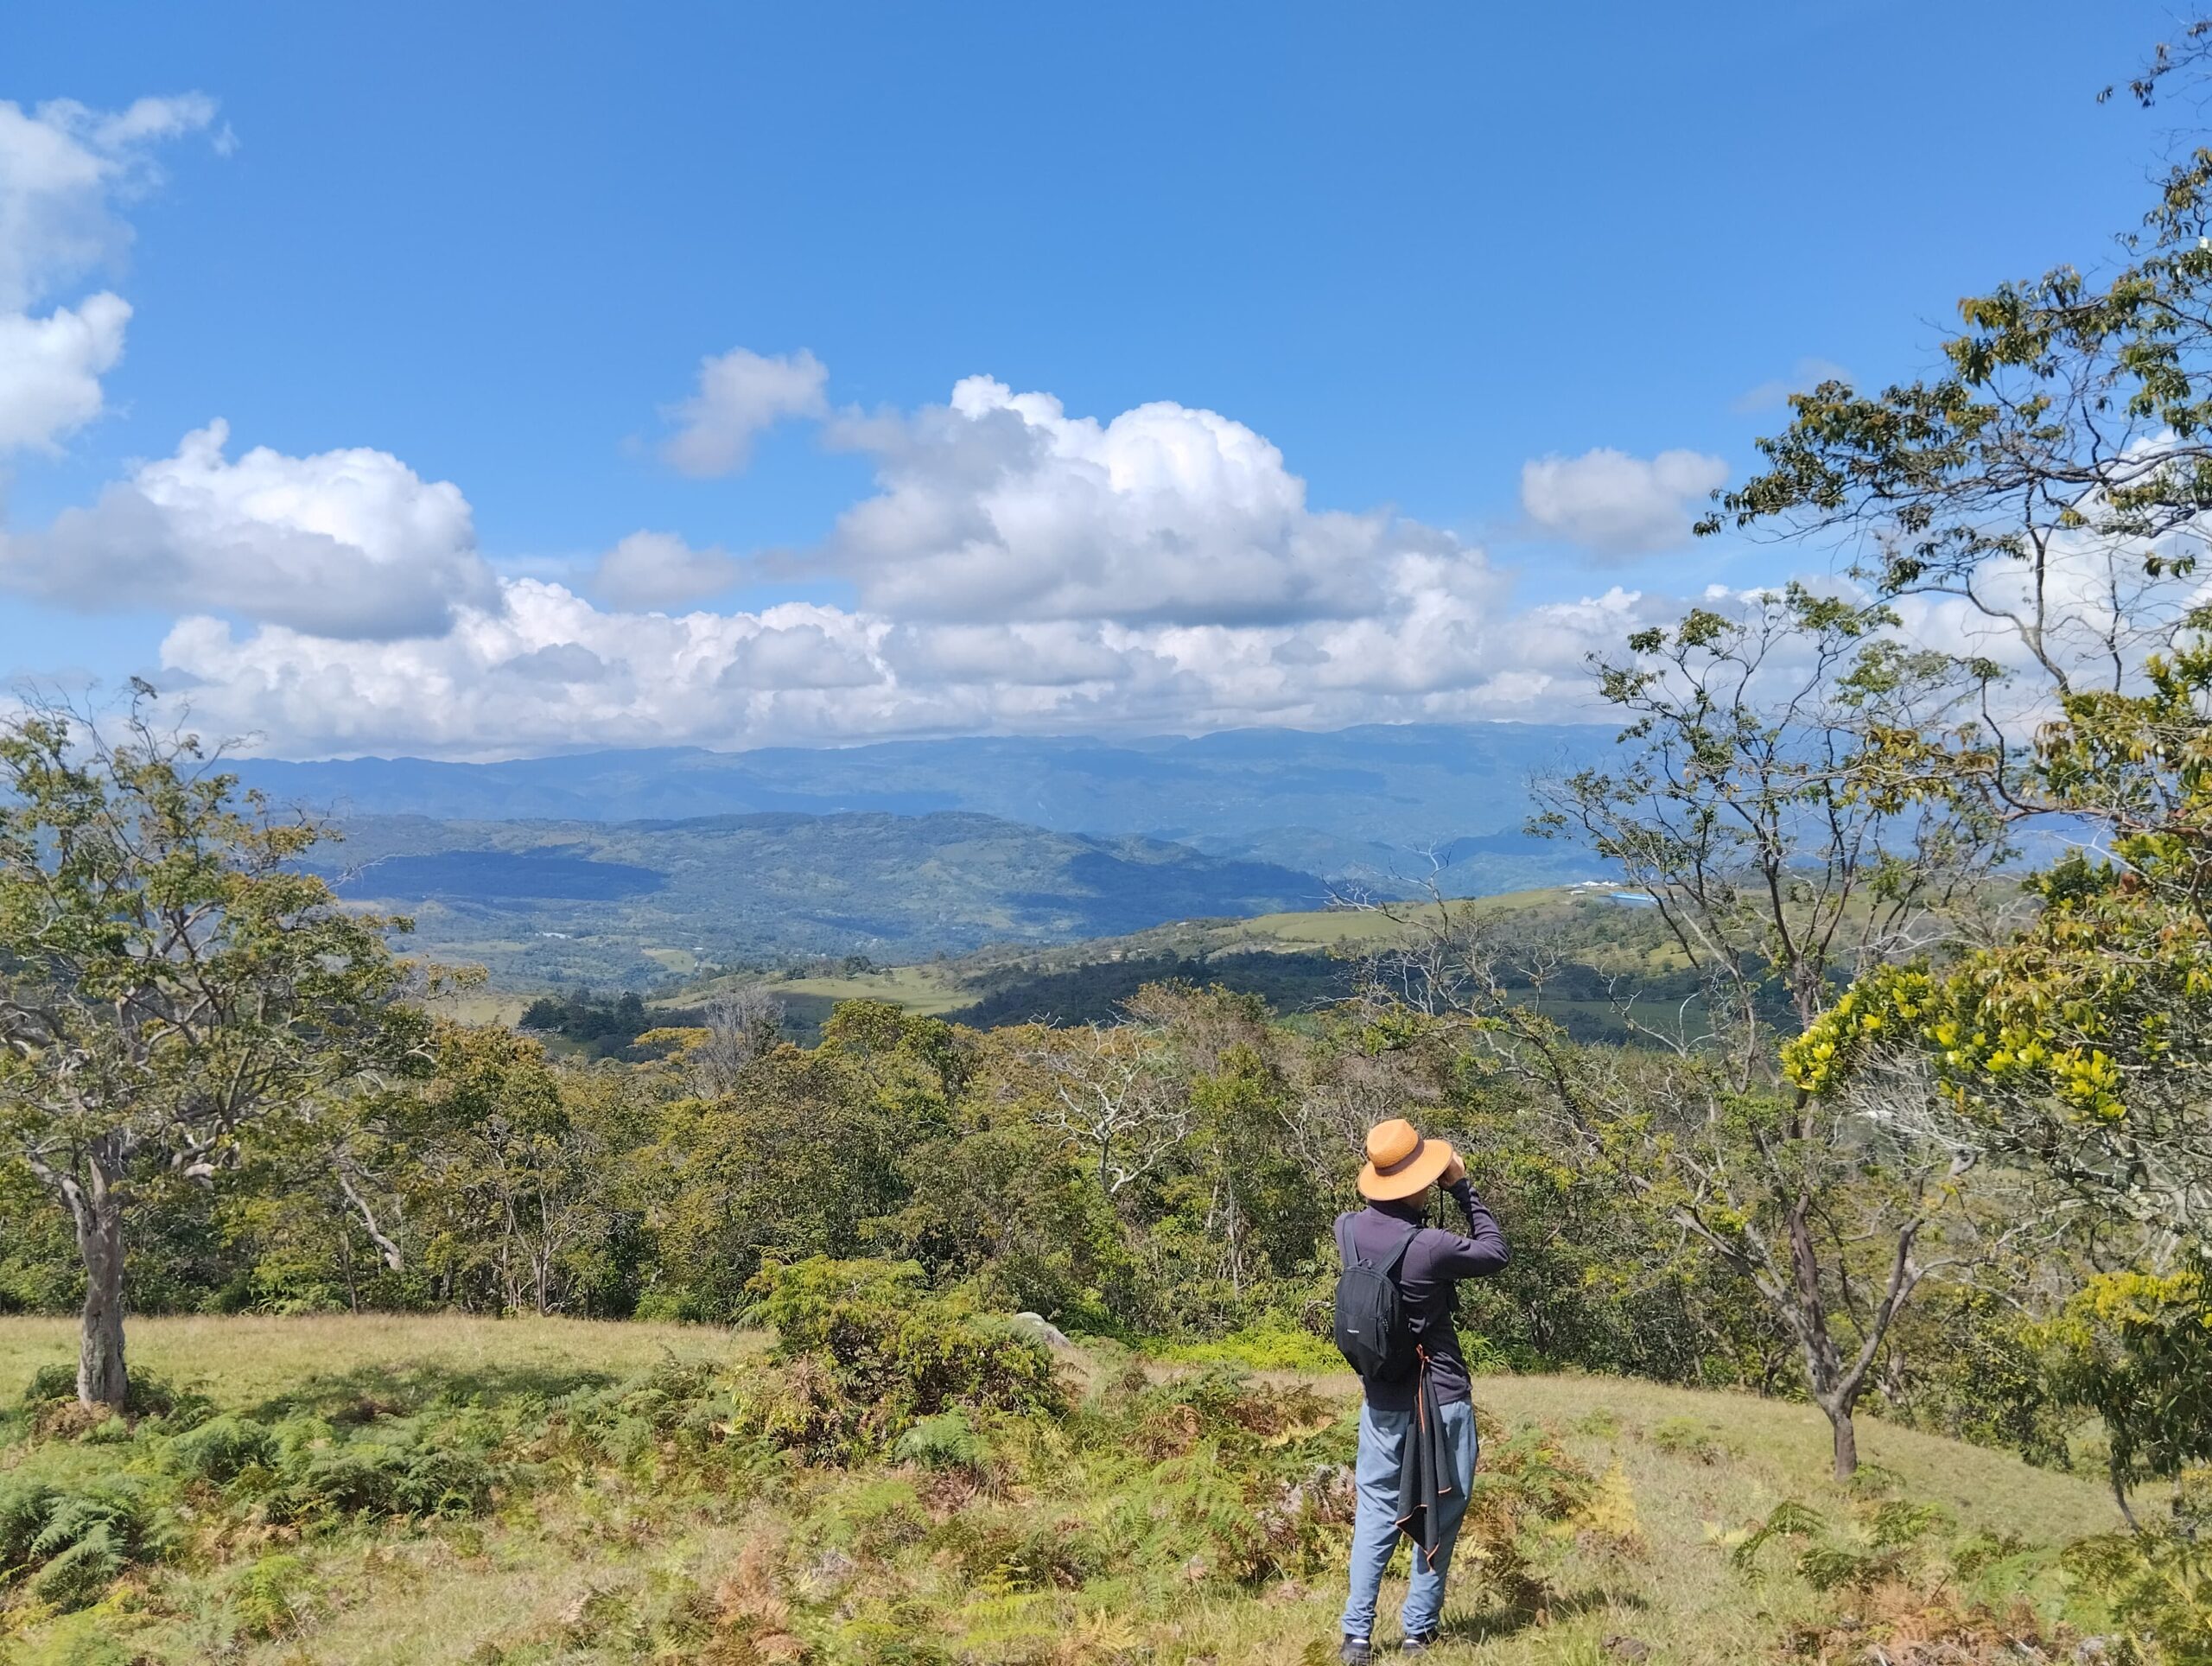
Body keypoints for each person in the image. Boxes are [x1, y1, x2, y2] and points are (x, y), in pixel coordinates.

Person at [1336, 1117, 1510, 1663]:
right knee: (1441, 1508)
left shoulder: (1347, 1229)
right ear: (1419, 1181)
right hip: (1442, 1398)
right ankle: (1418, 1630)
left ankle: (1357, 1635)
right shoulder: (1431, 1246)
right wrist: (1461, 1187)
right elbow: (1495, 1250)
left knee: (1374, 1514)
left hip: (1382, 1398)